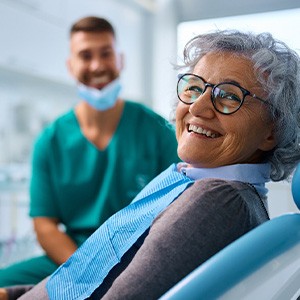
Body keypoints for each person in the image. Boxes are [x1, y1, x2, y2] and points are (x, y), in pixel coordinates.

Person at [1, 29, 300, 300]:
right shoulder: (190, 181)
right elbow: (87, 280)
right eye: (195, 88)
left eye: (228, 96)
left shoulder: (217, 200)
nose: (197, 106)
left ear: (272, 130)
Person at [0, 16, 179, 287]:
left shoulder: (156, 131)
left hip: (140, 254)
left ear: (120, 60)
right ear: (71, 66)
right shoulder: (50, 142)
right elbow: (45, 225)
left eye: (106, 54)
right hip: (72, 256)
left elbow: (179, 205)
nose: (96, 65)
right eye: (85, 55)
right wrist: (85, 270)